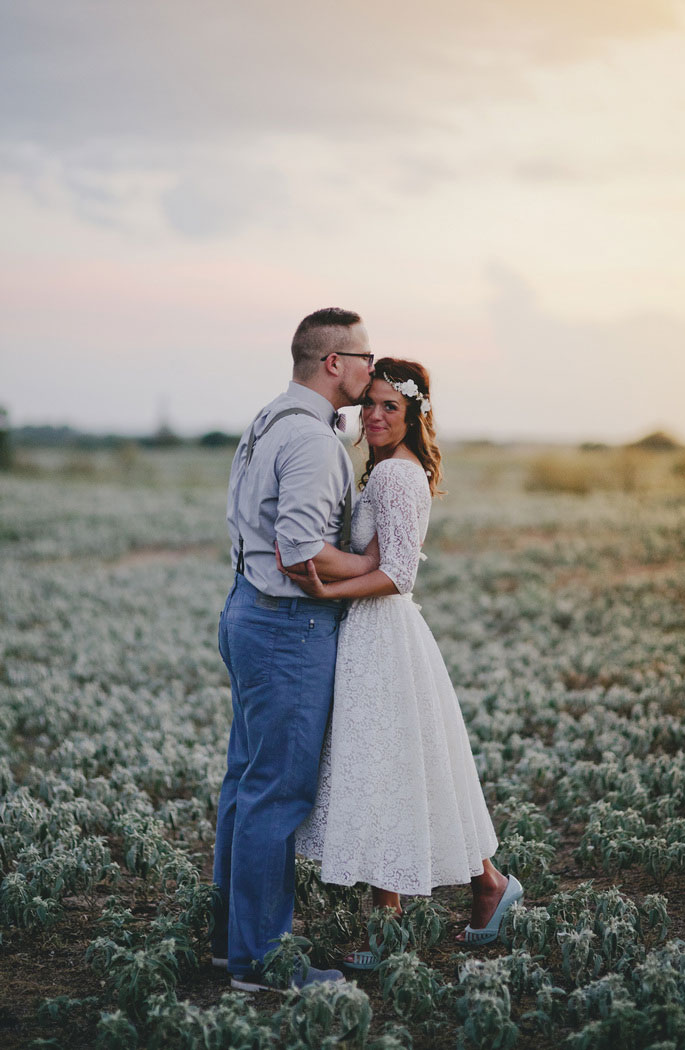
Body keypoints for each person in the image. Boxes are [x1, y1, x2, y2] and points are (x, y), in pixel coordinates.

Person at [286, 358, 523, 968]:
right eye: (370, 404)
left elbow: (398, 574)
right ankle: (485, 886)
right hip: (374, 634)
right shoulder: (386, 471)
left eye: (392, 406)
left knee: (385, 765)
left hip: (383, 634)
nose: (376, 415)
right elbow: (373, 556)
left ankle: (391, 919)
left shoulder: (396, 477)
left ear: (415, 413)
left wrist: (325, 592)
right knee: (401, 767)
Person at [212, 307, 378, 990]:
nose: (373, 366)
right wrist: (376, 565)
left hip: (250, 609)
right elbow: (302, 551)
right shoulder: (312, 441)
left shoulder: (268, 419)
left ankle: (233, 941)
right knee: (277, 794)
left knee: (247, 785)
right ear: (333, 364)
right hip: (288, 625)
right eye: (365, 355)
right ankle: (261, 960)